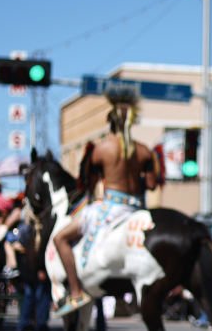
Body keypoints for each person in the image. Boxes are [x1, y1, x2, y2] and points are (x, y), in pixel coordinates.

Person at [52, 88, 159, 317]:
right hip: (136, 209)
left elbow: (86, 184)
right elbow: (151, 184)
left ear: (110, 122)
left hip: (108, 208)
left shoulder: (101, 149)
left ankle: (75, 291)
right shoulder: (144, 151)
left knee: (59, 237)